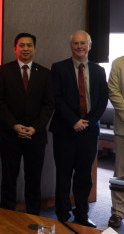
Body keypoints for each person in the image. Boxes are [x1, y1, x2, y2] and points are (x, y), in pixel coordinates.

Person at [50, 30, 108, 228]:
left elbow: (102, 100)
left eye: (83, 43)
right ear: (70, 46)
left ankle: (82, 214)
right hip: (65, 130)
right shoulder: (58, 68)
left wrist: (89, 122)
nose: (79, 46)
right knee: (64, 174)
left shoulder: (99, 71)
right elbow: (56, 98)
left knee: (84, 176)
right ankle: (63, 213)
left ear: (90, 46)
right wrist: (74, 120)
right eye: (75, 43)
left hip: (89, 132)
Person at [0, 32, 54, 215]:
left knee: (33, 179)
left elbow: (49, 104)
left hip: (36, 136)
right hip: (11, 135)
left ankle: (33, 216)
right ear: (15, 48)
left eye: (29, 45)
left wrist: (35, 127)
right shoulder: (4, 71)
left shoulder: (44, 73)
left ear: (35, 49)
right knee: (9, 178)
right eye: (21, 45)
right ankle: (7, 216)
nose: (25, 49)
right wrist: (15, 125)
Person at [109, 56, 124, 228]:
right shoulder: (118, 63)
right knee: (120, 172)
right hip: (123, 126)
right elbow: (113, 91)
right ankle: (117, 212)